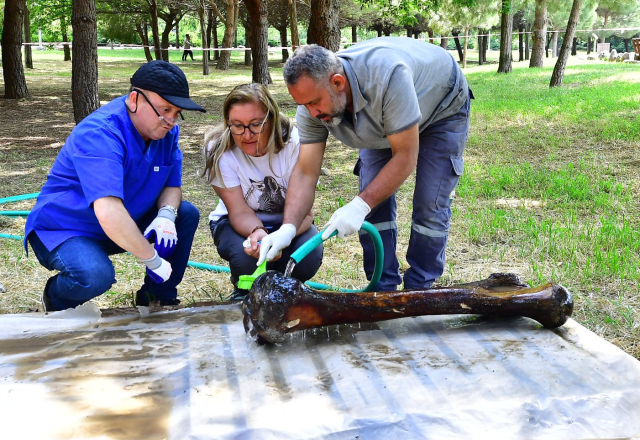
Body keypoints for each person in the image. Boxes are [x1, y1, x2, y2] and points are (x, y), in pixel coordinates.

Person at [258, 37, 472, 291]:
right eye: (304, 105)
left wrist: (359, 205)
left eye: (315, 102)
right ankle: (382, 286)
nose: (311, 113)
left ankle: (421, 288)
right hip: (383, 117)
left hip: (442, 106)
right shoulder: (312, 106)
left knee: (430, 202)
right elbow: (306, 171)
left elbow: (405, 154)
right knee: (373, 204)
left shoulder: (388, 77)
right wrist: (288, 227)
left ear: (337, 82)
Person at [24, 60, 206, 311]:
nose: (171, 121)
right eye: (165, 109)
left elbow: (172, 186)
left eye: (176, 113)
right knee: (95, 276)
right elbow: (109, 211)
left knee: (184, 214)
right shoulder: (100, 133)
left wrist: (165, 215)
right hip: (67, 228)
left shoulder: (165, 132)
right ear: (134, 100)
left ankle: (157, 299)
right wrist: (153, 260)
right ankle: (55, 300)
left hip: (120, 223)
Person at [202, 83, 323, 300]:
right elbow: (238, 211)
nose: (246, 135)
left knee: (306, 256)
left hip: (290, 222)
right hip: (238, 223)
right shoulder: (218, 149)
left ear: (272, 119)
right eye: (237, 125)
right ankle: (245, 293)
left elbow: (306, 214)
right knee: (247, 260)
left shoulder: (296, 143)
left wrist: (282, 236)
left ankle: (287, 292)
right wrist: (258, 233)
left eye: (256, 124)